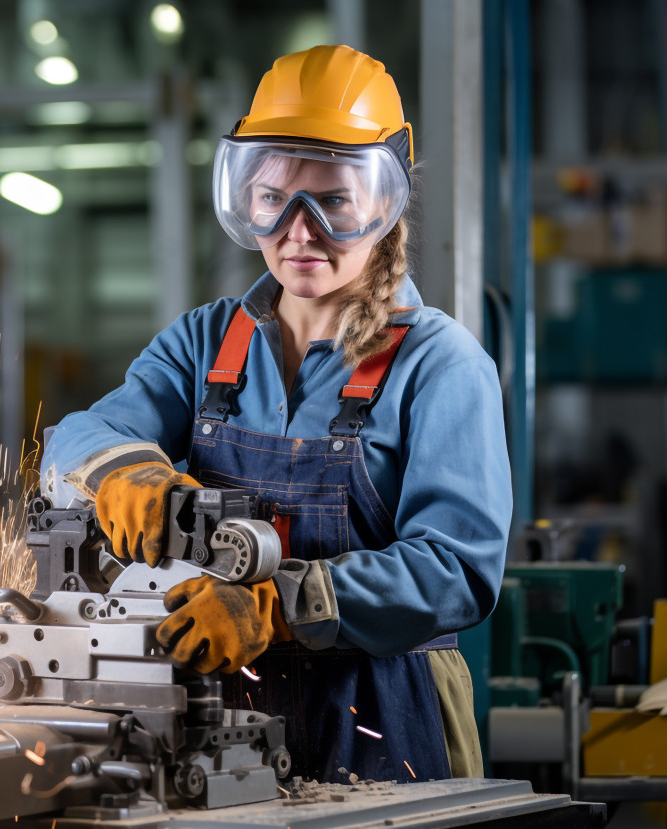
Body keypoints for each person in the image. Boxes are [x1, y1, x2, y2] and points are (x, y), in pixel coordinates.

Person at [39, 44, 512, 784]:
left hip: (384, 716)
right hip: (216, 717)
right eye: (274, 198)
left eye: (333, 199)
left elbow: (456, 570)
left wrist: (281, 604)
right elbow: (77, 438)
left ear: (384, 204)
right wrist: (124, 472)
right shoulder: (205, 343)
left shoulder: (440, 365)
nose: (298, 228)